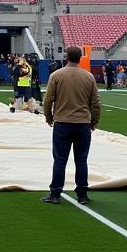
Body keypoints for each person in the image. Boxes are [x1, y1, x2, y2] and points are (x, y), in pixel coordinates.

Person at [42, 46, 101, 205]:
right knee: (81, 160)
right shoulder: (88, 77)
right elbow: (95, 103)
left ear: (66, 57)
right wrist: (93, 121)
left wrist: (48, 117)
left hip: (62, 122)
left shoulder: (56, 75)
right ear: (80, 58)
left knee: (60, 160)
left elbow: (48, 100)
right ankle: (82, 194)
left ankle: (55, 194)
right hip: (82, 123)